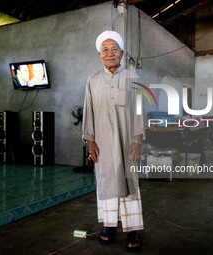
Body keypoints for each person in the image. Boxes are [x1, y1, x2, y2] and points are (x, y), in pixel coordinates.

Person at [82, 30, 145, 252]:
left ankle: (132, 229)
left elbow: (139, 111)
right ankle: (109, 226)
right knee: (106, 183)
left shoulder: (133, 78)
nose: (110, 53)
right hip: (102, 145)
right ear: (100, 54)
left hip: (127, 142)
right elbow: (88, 112)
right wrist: (90, 141)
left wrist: (137, 140)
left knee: (130, 184)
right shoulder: (92, 81)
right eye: (105, 50)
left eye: (114, 49)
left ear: (122, 53)